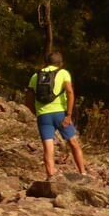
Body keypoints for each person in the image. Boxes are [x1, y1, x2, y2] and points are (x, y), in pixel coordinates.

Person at [24, 51, 88, 180]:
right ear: (60, 63)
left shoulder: (36, 76)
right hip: (60, 114)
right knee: (73, 142)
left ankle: (51, 176)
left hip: (43, 115)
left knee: (48, 147)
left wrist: (36, 112)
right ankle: (83, 173)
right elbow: (70, 92)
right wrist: (69, 115)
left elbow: (28, 99)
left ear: (46, 62)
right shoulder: (63, 73)